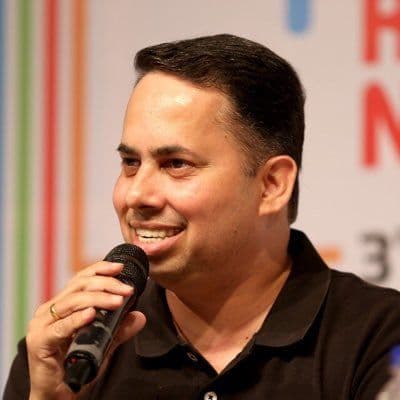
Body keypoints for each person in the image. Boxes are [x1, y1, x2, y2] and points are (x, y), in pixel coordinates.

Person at [4, 34, 400, 400]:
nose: (136, 195)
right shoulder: (72, 354)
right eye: (130, 162)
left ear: (272, 185)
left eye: (176, 164)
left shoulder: (380, 339)